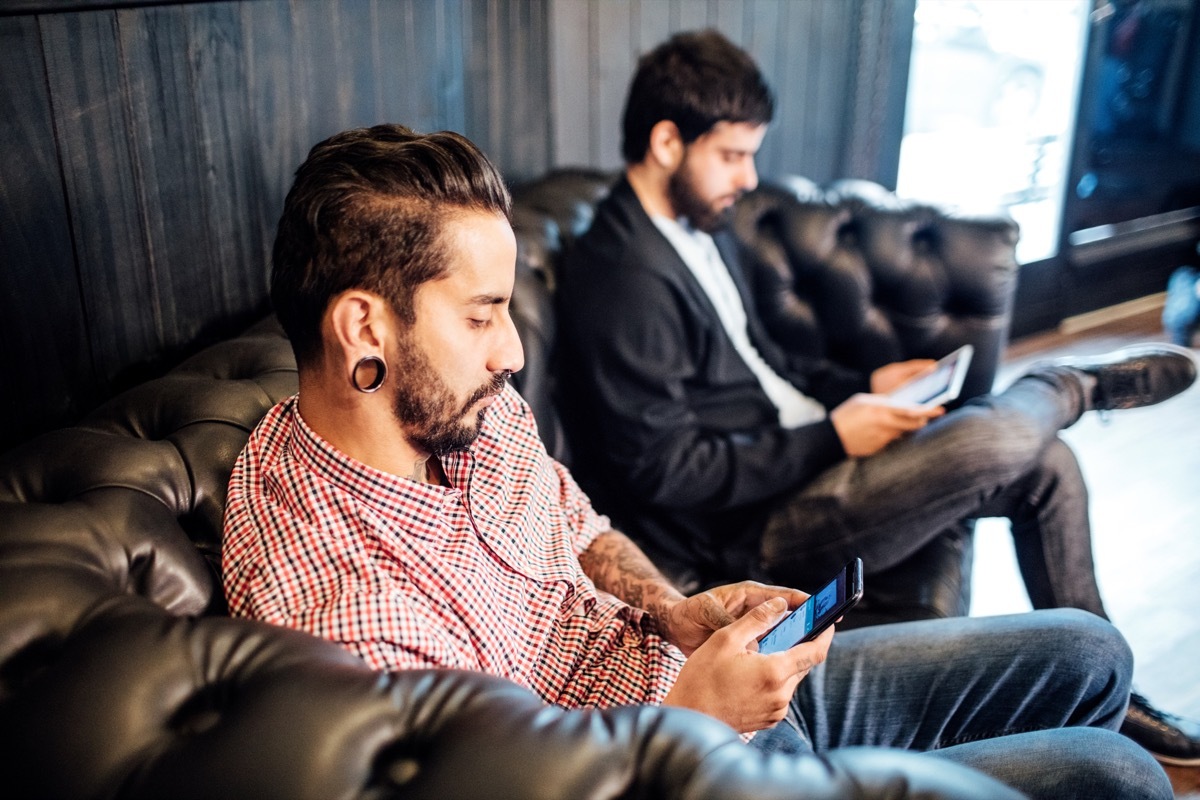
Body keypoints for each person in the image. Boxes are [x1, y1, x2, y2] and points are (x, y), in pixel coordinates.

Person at [222, 122, 1173, 799]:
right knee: (1118, 775)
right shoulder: (343, 606)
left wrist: (680, 610)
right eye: (482, 316)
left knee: (1094, 653)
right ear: (363, 327)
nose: (512, 353)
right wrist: (694, 715)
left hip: (698, 685)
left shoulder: (463, 409)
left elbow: (578, 525)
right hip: (687, 766)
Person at [554, 29, 1199, 767]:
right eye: (732, 155)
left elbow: (766, 364)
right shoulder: (619, 273)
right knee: (1000, 440)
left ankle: (1119, 697)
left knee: (1044, 464)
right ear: (668, 142)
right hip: (751, 526)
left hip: (804, 462)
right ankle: (1069, 384)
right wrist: (835, 436)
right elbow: (666, 471)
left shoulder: (698, 226)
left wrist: (863, 393)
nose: (747, 176)